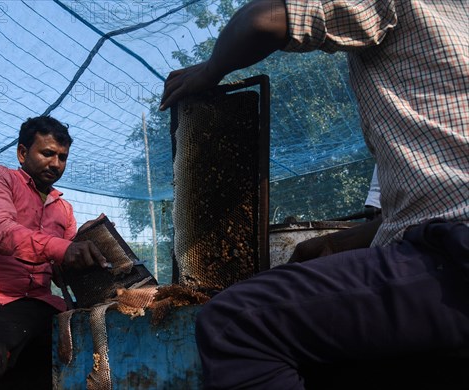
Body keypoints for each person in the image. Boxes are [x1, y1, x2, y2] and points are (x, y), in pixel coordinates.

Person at [160, 0, 468, 389]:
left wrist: (209, 71)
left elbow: (262, 20)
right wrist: (336, 242)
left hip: (454, 258)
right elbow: (432, 207)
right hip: (447, 261)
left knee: (235, 323)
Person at [0, 116, 109, 390]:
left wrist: (92, 243)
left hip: (39, 307)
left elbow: (61, 272)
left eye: (62, 157)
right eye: (47, 153)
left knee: (93, 351)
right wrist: (65, 248)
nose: (56, 164)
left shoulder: (63, 209)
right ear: (22, 153)